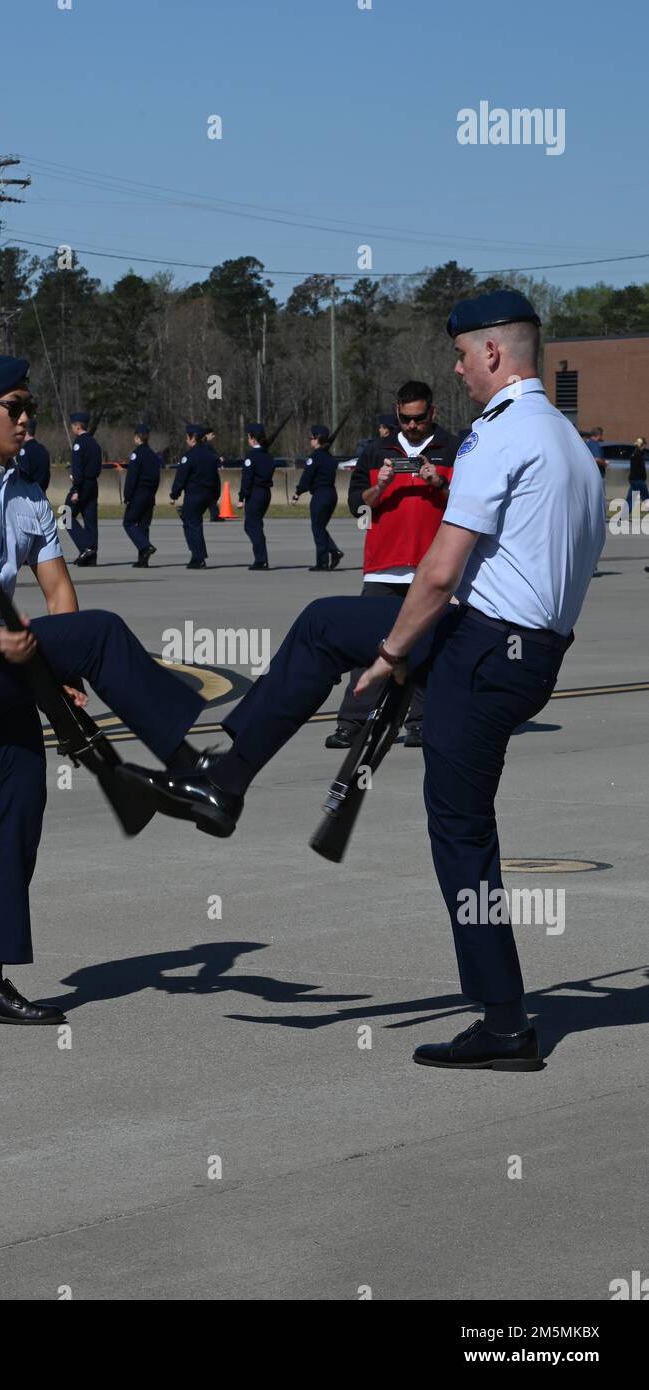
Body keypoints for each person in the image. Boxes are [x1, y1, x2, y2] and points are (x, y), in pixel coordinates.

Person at [126, 290, 606, 1072]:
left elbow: (442, 572)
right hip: (529, 653)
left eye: (461, 355)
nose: (456, 370)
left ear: (492, 353)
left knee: (458, 828)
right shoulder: (570, 444)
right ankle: (227, 778)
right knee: (328, 625)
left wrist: (388, 660)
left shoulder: (500, 436)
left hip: (482, 650)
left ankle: (505, 1024)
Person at [0, 355, 207, 1026]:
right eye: (11, 406)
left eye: (26, 406)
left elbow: (57, 589)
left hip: (5, 664)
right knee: (102, 634)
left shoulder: (26, 493)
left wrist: (61, 678)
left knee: (19, 806)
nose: (23, 418)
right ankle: (191, 766)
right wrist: (8, 648)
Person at [326, 382, 457, 749]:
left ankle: (419, 721)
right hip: (383, 567)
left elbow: (470, 505)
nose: (412, 426)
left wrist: (439, 484)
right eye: (405, 418)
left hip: (432, 568)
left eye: (418, 418)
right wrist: (379, 488)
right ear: (397, 413)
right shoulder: (374, 451)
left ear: (432, 412)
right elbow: (358, 506)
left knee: (429, 648)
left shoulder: (454, 449)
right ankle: (352, 722)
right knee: (369, 646)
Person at [292, 424, 344, 570]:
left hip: (320, 496)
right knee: (320, 527)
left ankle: (322, 562)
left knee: (317, 529)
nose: (310, 440)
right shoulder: (329, 458)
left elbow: (306, 477)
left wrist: (297, 493)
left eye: (312, 437)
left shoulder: (314, 458)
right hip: (331, 495)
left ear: (317, 439)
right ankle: (334, 552)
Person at [169, 423, 221, 568]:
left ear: (193, 438)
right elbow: (216, 479)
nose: (186, 440)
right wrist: (215, 496)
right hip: (208, 495)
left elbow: (181, 477)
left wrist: (174, 494)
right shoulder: (211, 456)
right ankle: (197, 555)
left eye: (187, 437)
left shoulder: (189, 457)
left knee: (192, 525)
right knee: (193, 523)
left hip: (194, 495)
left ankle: (198, 557)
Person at [64, 411, 102, 566]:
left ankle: (86, 547)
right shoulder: (94, 443)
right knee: (90, 520)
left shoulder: (79, 443)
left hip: (82, 485)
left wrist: (76, 489)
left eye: (73, 426)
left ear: (77, 426)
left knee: (65, 516)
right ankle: (91, 558)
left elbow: (78, 469)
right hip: (93, 484)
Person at [237, 422, 276, 570]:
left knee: (252, 526)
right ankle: (261, 557)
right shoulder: (268, 456)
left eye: (248, 437)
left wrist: (241, 498)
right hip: (266, 493)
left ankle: (261, 559)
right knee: (256, 525)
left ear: (253, 438)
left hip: (255, 493)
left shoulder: (252, 456)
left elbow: (247, 479)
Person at [123, 424, 161, 566]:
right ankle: (143, 559)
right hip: (150, 493)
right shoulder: (153, 455)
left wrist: (127, 496)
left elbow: (132, 477)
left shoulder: (137, 454)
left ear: (137, 437)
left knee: (129, 522)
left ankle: (145, 546)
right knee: (144, 525)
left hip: (138, 493)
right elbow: (157, 477)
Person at [17, 419, 51, 493]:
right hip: (42, 492)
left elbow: (23, 475)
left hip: (29, 494)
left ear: (25, 431)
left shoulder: (25, 450)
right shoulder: (43, 449)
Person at [203, 425, 224, 521]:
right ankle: (215, 514)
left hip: (212, 472)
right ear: (206, 435)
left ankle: (214, 514)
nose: (214, 436)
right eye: (212, 434)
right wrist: (218, 459)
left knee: (215, 493)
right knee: (213, 493)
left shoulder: (208, 445)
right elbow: (209, 457)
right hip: (209, 474)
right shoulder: (206, 446)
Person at [624, 436, 648, 516]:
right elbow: (640, 469)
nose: (645, 446)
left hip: (633, 480)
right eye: (644, 445)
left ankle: (624, 515)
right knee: (646, 498)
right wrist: (643, 477)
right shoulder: (638, 455)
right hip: (639, 480)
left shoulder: (635, 453)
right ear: (642, 445)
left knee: (630, 498)